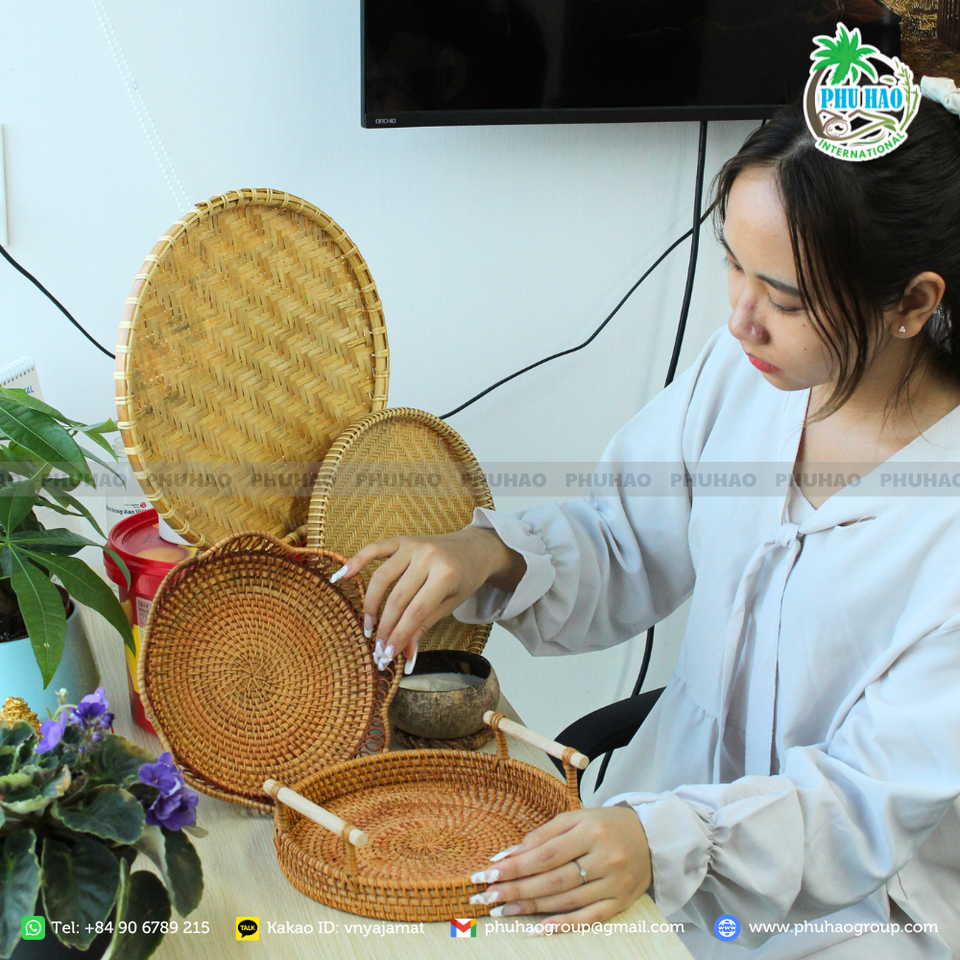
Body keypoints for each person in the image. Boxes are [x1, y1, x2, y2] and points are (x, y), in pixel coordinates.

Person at [328, 86, 960, 957]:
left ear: (913, 303)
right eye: (733, 266)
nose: (740, 318)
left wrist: (667, 843)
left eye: (785, 298)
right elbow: (626, 536)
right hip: (650, 834)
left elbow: (866, 799)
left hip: (846, 914)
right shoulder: (750, 376)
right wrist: (489, 555)